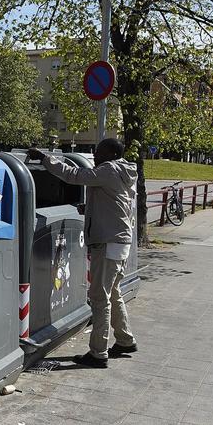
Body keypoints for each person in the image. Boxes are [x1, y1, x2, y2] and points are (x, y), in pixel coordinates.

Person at [27, 140, 137, 367]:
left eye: (100, 151)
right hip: (119, 241)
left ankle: (98, 353)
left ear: (112, 154)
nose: (95, 155)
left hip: (107, 242)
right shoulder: (124, 171)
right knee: (113, 292)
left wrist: (45, 159)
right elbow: (117, 204)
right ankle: (125, 340)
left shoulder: (108, 170)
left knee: (99, 297)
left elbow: (74, 175)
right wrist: (91, 210)